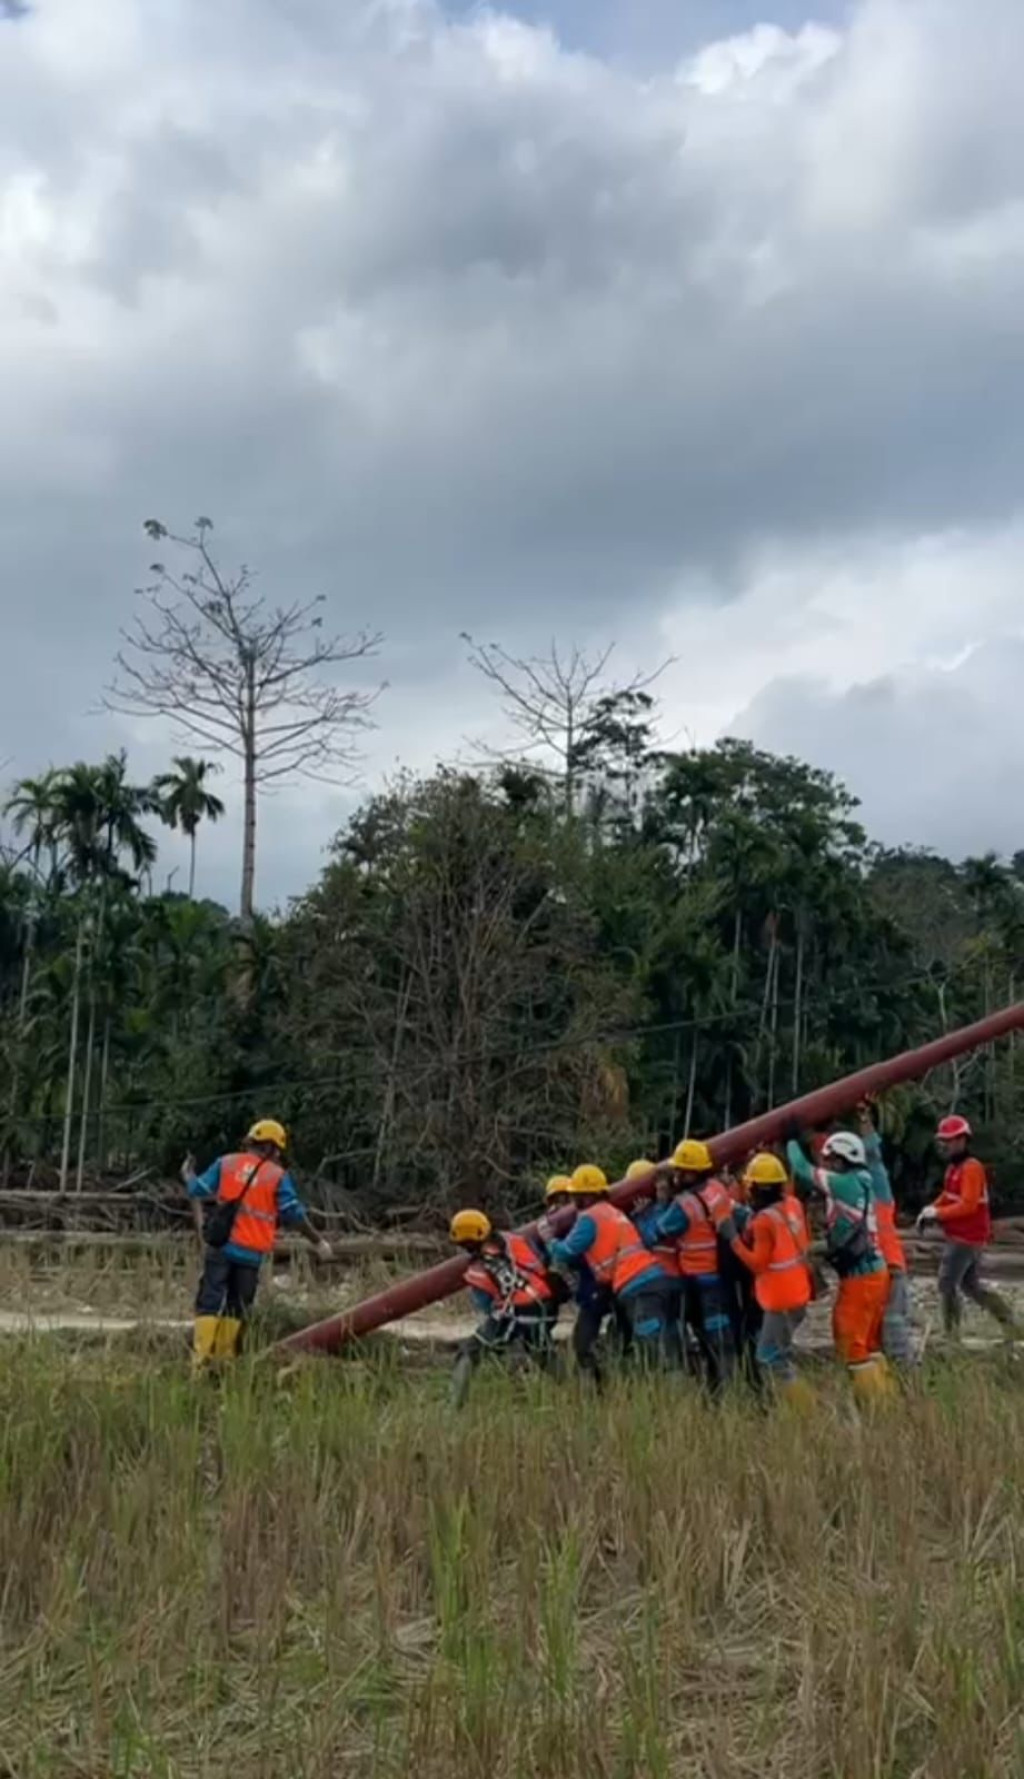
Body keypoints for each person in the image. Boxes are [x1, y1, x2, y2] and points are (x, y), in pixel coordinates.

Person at [183, 1118, 330, 1367]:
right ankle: (224, 1361)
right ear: (271, 1147)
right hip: (250, 1256)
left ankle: (199, 1362)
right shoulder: (277, 1176)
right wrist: (318, 1241)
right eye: (278, 1151)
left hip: (220, 1247)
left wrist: (187, 1174)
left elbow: (197, 1190)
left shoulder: (226, 1163)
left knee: (209, 1301)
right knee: (236, 1307)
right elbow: (293, 1214)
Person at [786, 1128, 894, 1405]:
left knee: (850, 1343)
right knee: (869, 1343)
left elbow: (801, 1168)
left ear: (843, 1159)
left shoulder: (843, 1183)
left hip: (861, 1277)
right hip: (875, 1272)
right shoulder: (864, 1180)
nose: (828, 1164)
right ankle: (885, 1400)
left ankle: (871, 1406)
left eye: (832, 1159)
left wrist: (790, 1139)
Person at [542, 1164, 669, 1383]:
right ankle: (622, 1387)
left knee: (591, 1342)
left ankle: (606, 1389)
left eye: (573, 1196)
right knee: (628, 1339)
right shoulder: (613, 1212)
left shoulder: (589, 1218)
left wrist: (548, 1239)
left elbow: (566, 1252)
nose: (571, 1203)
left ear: (585, 1195)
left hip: (628, 1281)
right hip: (633, 1281)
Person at [917, 1114, 1016, 1338]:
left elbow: (968, 1205)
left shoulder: (971, 1168)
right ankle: (1008, 1320)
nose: (944, 1145)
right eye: (942, 1140)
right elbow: (949, 1195)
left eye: (948, 1140)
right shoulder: (954, 1168)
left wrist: (938, 1213)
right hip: (960, 1235)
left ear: (962, 1140)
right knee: (971, 1286)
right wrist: (930, 1209)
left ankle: (951, 1335)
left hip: (967, 1237)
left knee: (948, 1283)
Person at [728, 1152, 813, 1407]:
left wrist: (732, 1238)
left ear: (753, 1188)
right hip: (798, 1293)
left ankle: (803, 1410)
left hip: (779, 1299)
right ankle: (796, 1407)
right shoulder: (793, 1205)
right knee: (780, 1353)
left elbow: (757, 1263)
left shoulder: (764, 1221)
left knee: (769, 1357)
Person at [448, 1210, 558, 1406]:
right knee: (543, 1354)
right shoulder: (515, 1241)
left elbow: (485, 1305)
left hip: (514, 1312)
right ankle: (582, 1393)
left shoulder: (476, 1270)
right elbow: (542, 1260)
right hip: (544, 1306)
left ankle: (454, 1405)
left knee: (469, 1351)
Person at [653, 1139, 738, 1393]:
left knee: (700, 1333)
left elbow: (658, 1231)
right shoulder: (716, 1188)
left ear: (692, 1172)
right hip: (720, 1272)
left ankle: (719, 1391)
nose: (677, 1175)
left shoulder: (684, 1204)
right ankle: (724, 1387)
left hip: (697, 1276)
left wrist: (660, 1202)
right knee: (719, 1334)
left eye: (680, 1171)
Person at [857, 1098, 916, 1367]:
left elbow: (874, 1158)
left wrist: (865, 1122)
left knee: (894, 1331)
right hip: (875, 1275)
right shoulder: (855, 1197)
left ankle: (909, 1385)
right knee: (876, 1335)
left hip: (890, 1270)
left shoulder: (878, 1195)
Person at [628, 1158, 684, 1367]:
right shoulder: (665, 1207)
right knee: (669, 1332)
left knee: (662, 1336)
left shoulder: (664, 1210)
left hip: (663, 1278)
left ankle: (671, 1376)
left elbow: (649, 1237)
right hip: (669, 1278)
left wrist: (643, 1216)